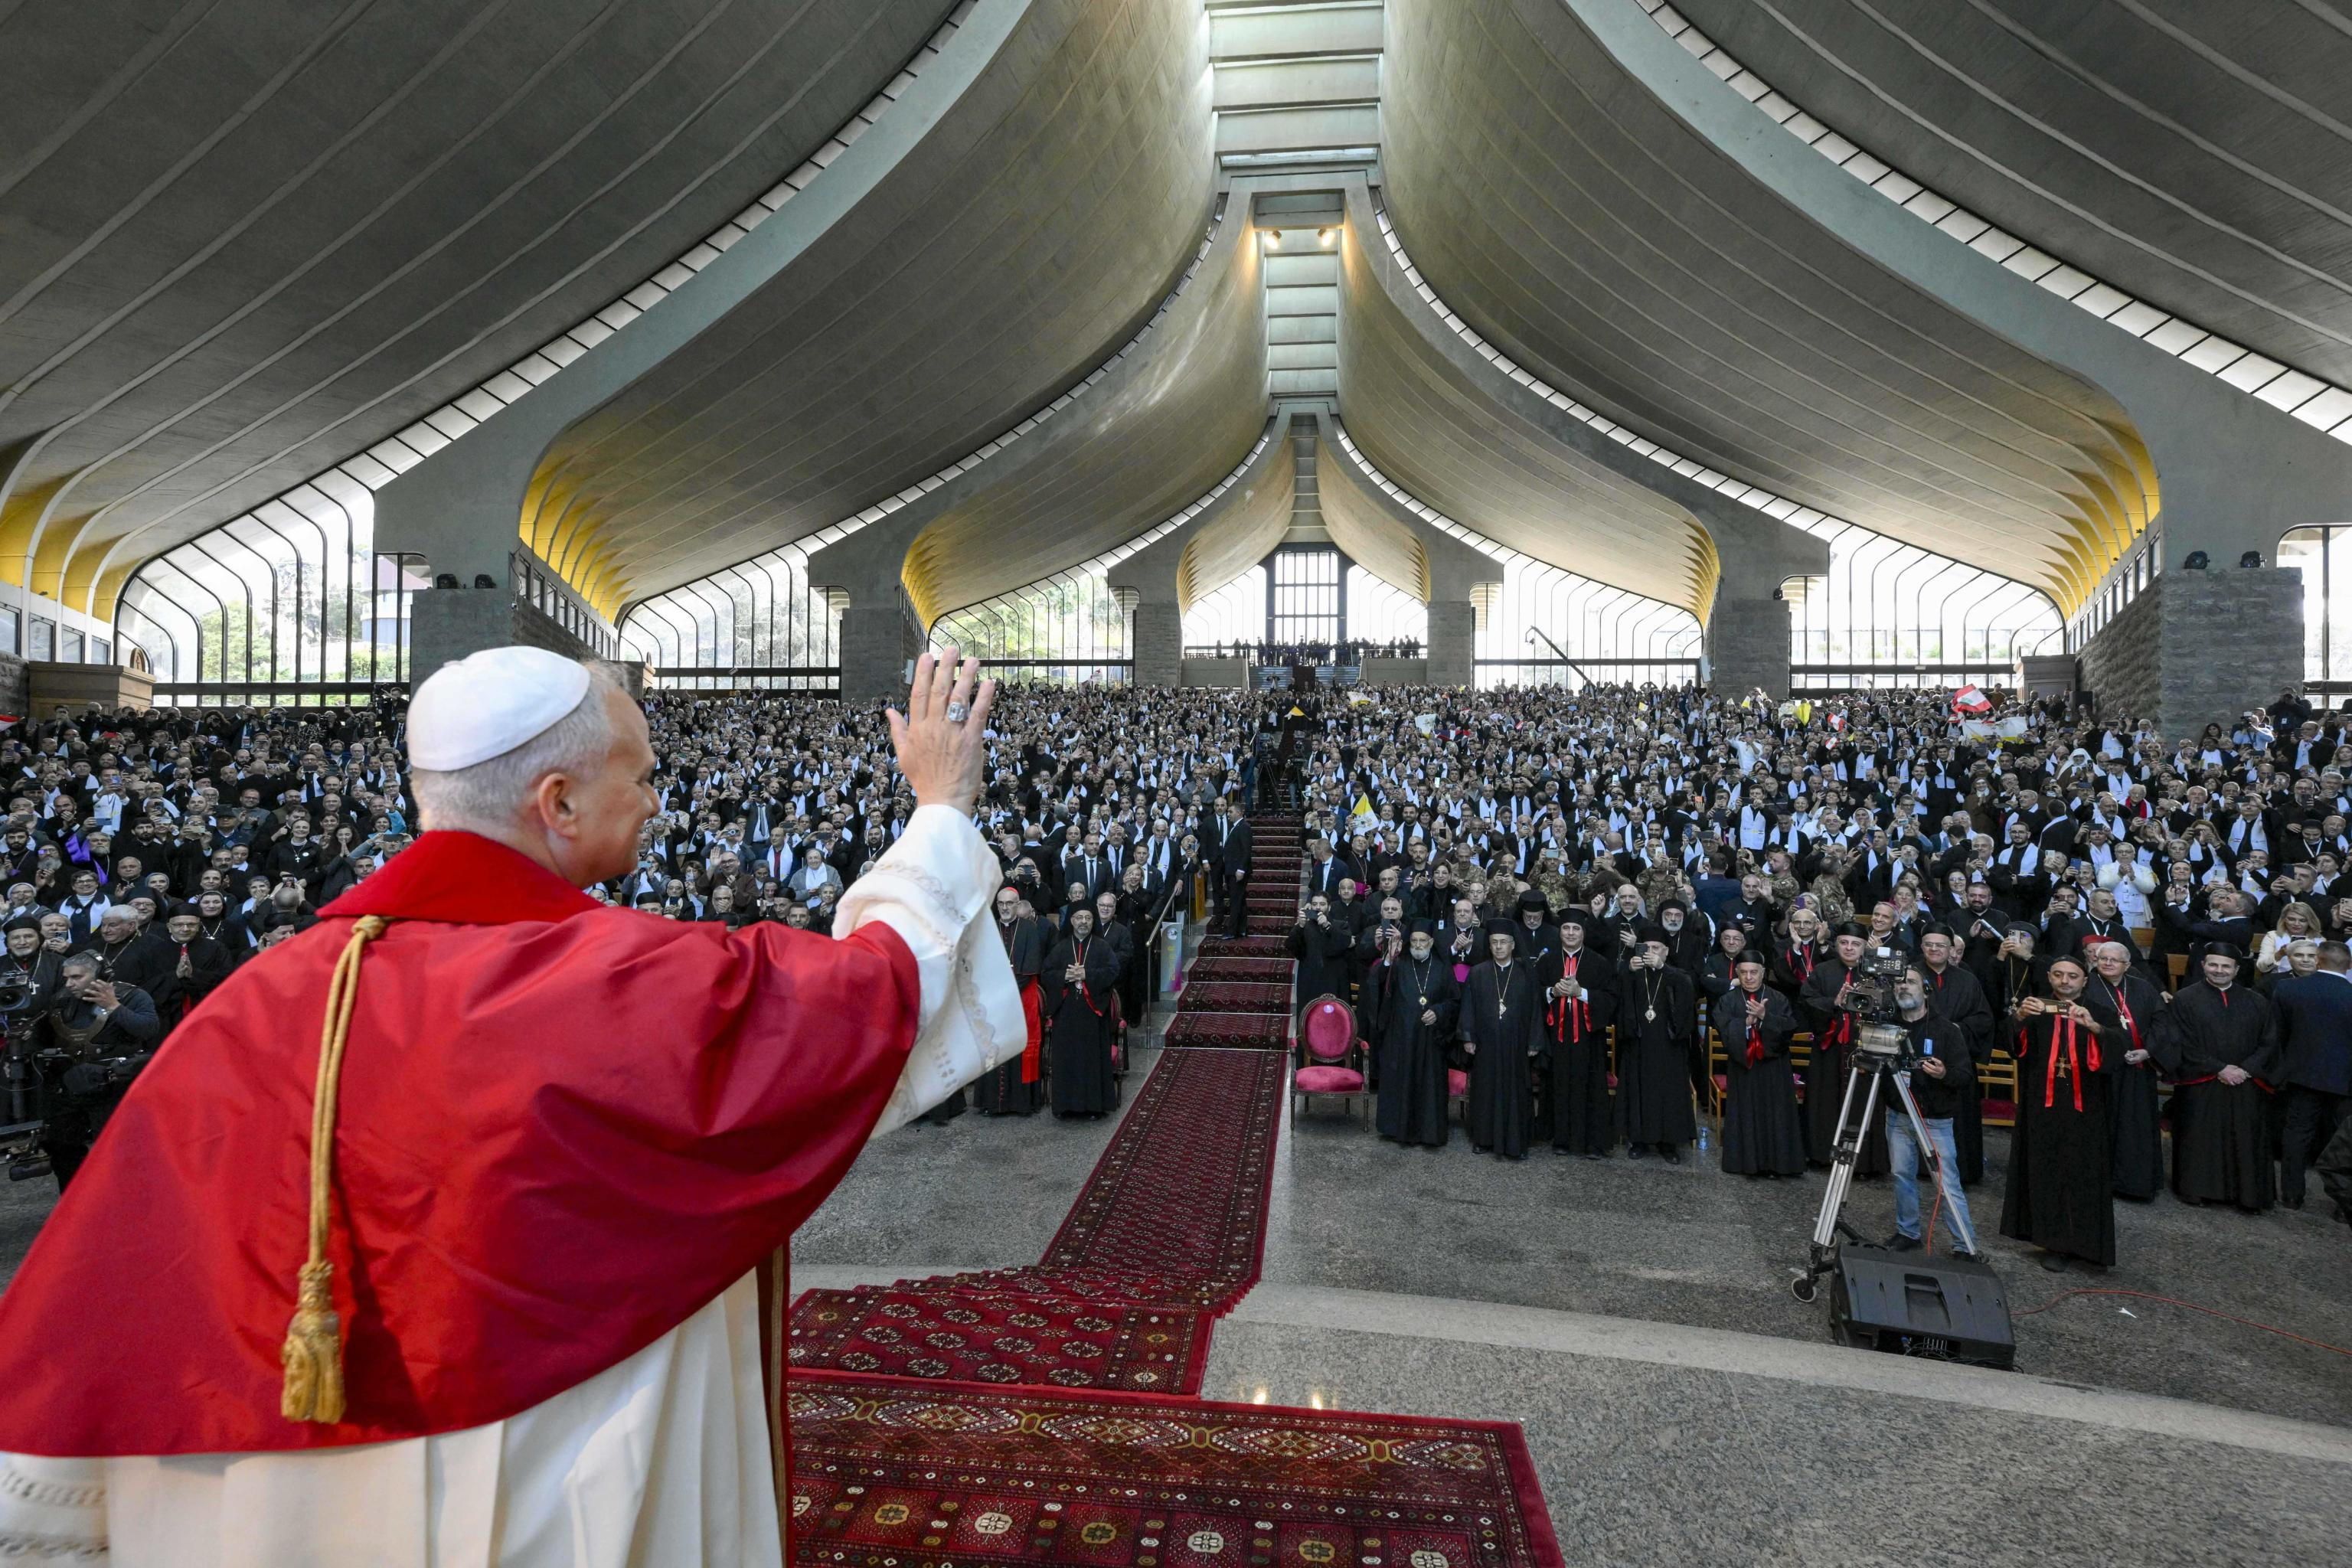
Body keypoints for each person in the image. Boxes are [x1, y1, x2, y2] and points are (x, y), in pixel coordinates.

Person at [0, 646, 1023, 1565]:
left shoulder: (258, 999)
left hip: (281, 1491)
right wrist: (941, 805)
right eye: (640, 774)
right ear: (558, 801)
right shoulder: (627, 982)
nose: (655, 799)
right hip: (548, 1466)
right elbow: (877, 989)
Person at [2001, 953, 2121, 1270]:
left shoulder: (2101, 1011)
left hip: (2086, 1110)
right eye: (2057, 974)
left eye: (2072, 976)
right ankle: (2053, 1243)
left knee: (2082, 1174)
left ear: (2085, 980)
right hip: (2042, 1107)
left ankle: (2084, 1244)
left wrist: (2094, 1027)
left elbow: (2117, 1050)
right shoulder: (2035, 1008)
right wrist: (2019, 1019)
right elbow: (2013, 1046)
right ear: (2049, 977)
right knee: (2045, 1171)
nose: (2064, 981)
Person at [2154, 942, 2284, 1211]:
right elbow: (2180, 1041)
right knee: (2202, 1139)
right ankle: (2198, 1191)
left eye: (2226, 966)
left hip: (2247, 1081)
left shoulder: (2257, 1001)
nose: (2219, 970)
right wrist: (2219, 1068)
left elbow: (2270, 1042)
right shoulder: (2185, 999)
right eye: (2213, 964)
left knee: (2246, 1138)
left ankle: (2248, 1197)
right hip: (2201, 1080)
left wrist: (2246, 1069)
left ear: (2236, 970)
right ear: (2203, 966)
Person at [1880, 961, 1980, 1258]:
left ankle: (1964, 1245)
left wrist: (1943, 1073)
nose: (1903, 987)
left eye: (1910, 982)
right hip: (1898, 1115)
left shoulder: (1947, 1030)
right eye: (1899, 983)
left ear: (1925, 990)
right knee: (1901, 1175)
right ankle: (1907, 1232)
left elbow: (1964, 1075)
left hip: (1935, 1120)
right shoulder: (1888, 1028)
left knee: (1946, 1184)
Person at [2271, 939, 2352, 1210]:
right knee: (2346, 1141)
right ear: (2349, 965)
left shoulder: (2289, 989)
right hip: (2346, 1079)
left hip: (2301, 1074)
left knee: (2296, 1134)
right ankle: (2344, 1204)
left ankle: (2292, 1195)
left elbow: (2277, 1035)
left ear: (2318, 960)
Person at [2084, 939, 2167, 1200]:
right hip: (2100, 1069)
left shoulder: (2144, 987)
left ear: (2127, 965)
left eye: (2114, 960)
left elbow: (2162, 1022)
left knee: (2135, 1125)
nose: (2108, 963)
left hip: (2137, 1069)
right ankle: (2098, 1181)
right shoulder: (2086, 987)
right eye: (2103, 959)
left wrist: (2148, 1050)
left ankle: (2133, 1184)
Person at [1365, 921, 1458, 1146]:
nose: (1418, 945)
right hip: (1401, 1037)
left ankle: (1429, 1133)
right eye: (1414, 941)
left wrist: (1438, 1011)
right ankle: (1398, 1130)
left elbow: (1454, 1000)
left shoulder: (1442, 968)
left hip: (1430, 1040)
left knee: (1429, 1085)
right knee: (1402, 1081)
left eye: (1422, 941)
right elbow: (1376, 982)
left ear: (1431, 942)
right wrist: (1389, 958)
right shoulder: (1399, 964)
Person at [1713, 949, 1804, 1178]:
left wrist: (1765, 1018)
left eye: (1754, 972)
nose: (1749, 977)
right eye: (1743, 972)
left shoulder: (1778, 998)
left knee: (1775, 1115)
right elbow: (1723, 1030)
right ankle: (1746, 1164)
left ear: (1763, 973)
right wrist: (1744, 1024)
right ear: (1737, 973)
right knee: (1745, 1115)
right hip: (1744, 1068)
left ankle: (1775, 1165)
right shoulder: (1727, 1000)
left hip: (1774, 1068)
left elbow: (1789, 1029)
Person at [1537, 908, 1618, 1157]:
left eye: (1576, 929)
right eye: (1566, 928)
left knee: (1589, 1086)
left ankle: (1592, 1142)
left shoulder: (1599, 963)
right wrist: (1552, 992)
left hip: (1588, 1039)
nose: (1570, 933)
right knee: (1559, 1085)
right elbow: (1534, 994)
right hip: (1557, 1039)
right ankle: (1560, 1139)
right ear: (1560, 932)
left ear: (1583, 933)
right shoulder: (1547, 962)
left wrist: (1581, 993)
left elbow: (1611, 999)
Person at [1615, 925, 1699, 1162]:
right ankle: (1638, 1140)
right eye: (1647, 948)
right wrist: (1627, 971)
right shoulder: (1635, 972)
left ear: (1666, 951)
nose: (1651, 952)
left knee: (1668, 1093)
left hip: (1668, 1046)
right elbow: (1618, 996)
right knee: (1638, 1090)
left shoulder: (1675, 974)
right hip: (1640, 1043)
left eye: (1657, 948)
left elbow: (1687, 990)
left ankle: (1668, 1144)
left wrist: (1662, 967)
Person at [1459, 923, 1540, 1159]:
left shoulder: (1525, 973)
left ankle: (1517, 1142)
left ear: (1513, 945)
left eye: (1503, 942)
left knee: (1516, 1091)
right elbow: (1468, 1007)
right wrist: (1468, 1036)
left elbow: (1536, 1009)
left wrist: (1534, 1042)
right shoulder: (1478, 972)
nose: (1499, 947)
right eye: (1494, 943)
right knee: (1485, 1090)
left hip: (1517, 1044)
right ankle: (1483, 1139)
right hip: (1486, 1044)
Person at [976, 884, 1049, 1116]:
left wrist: (1005, 992)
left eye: (1009, 903)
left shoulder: (1029, 929)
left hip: (1020, 999)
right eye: (1001, 903)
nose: (1005, 908)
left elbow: (1031, 965)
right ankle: (992, 1103)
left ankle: (1021, 1103)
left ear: (1018, 905)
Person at [1043, 905, 1122, 1119]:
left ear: (1093, 921)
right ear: (1071, 921)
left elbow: (1113, 971)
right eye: (1079, 918)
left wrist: (1087, 974)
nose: (1083, 922)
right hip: (1066, 1014)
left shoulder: (1102, 947)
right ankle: (1064, 1106)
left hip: (1092, 1014)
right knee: (1066, 1060)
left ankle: (1093, 1107)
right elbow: (1046, 973)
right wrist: (1065, 977)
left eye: (1088, 918)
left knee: (1091, 1061)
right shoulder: (1060, 947)